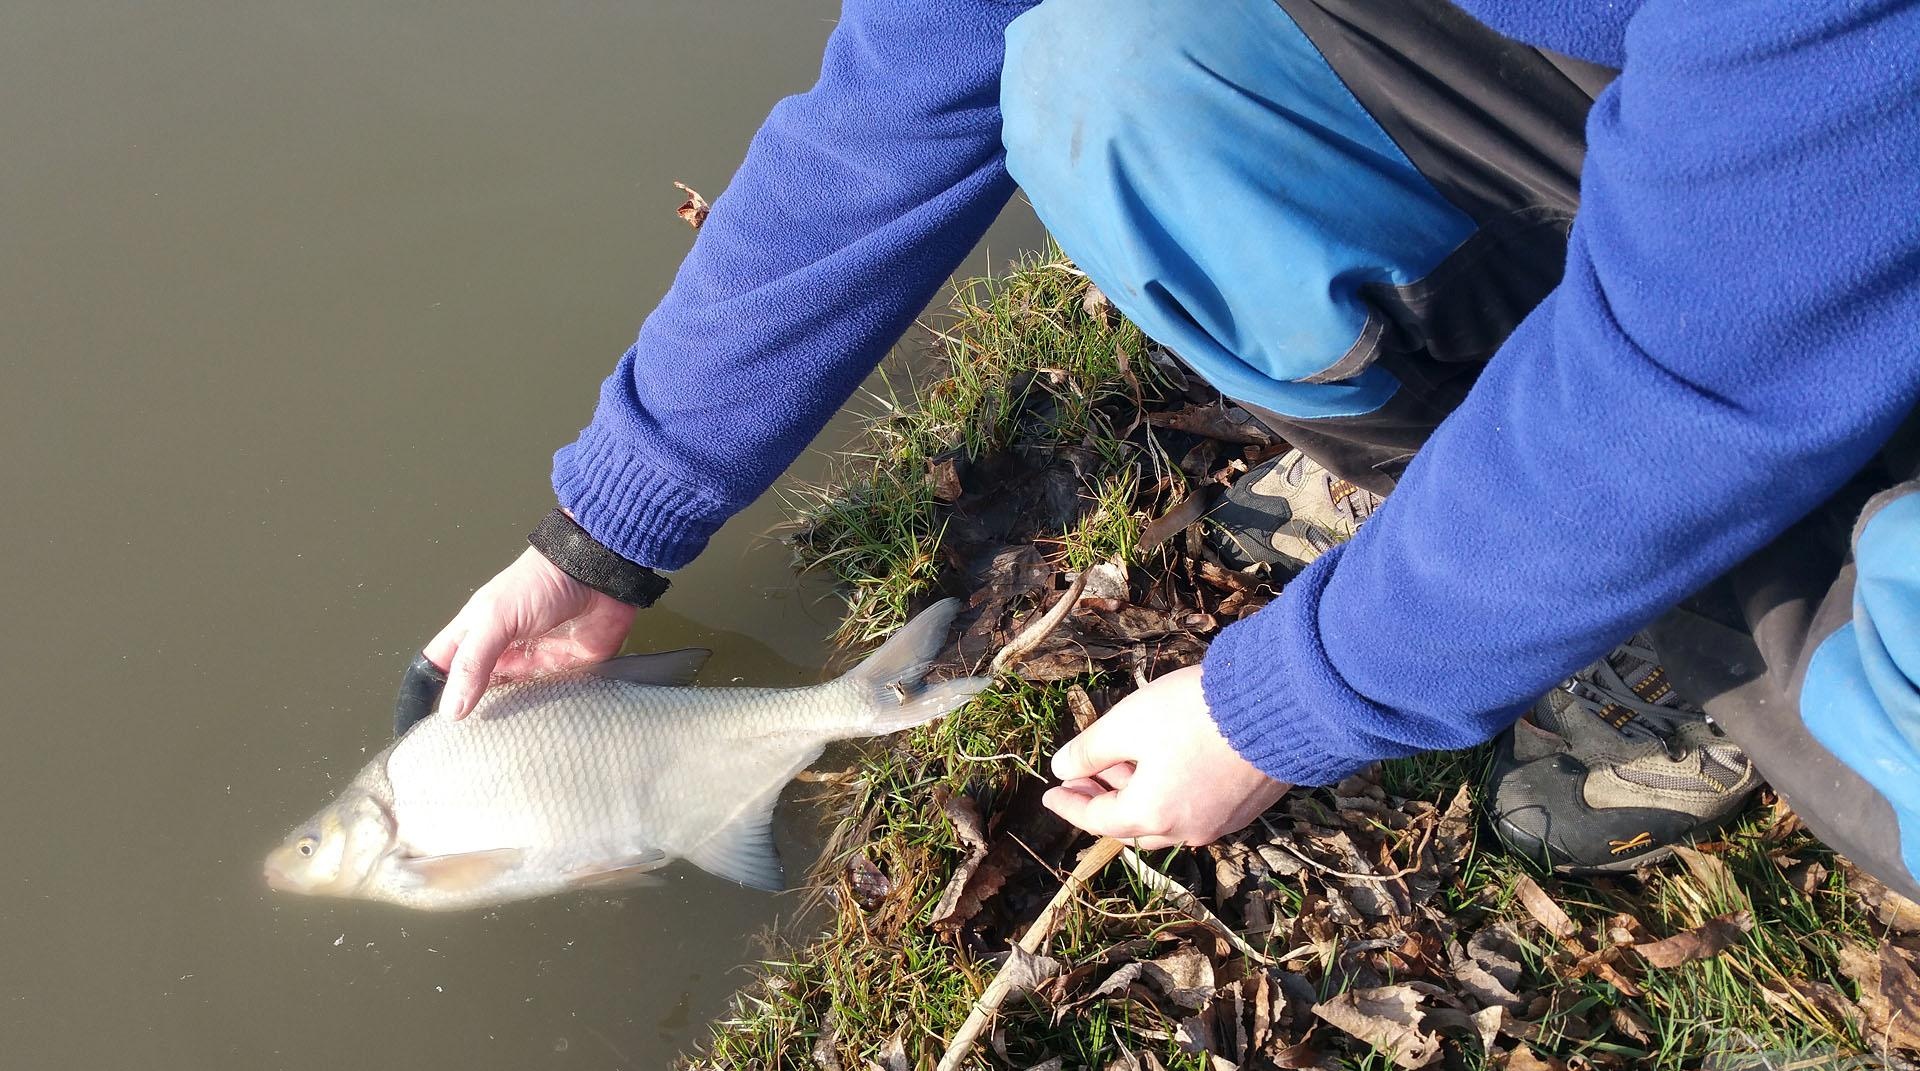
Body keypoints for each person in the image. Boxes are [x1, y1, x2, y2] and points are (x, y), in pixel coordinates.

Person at [415, 0, 1920, 897]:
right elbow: (895, 100)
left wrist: (1294, 700)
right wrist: (609, 534)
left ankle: (1630, 625)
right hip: (1694, 117)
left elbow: (1687, 376)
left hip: (1832, 148)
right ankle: (1524, 574)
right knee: (1112, 68)